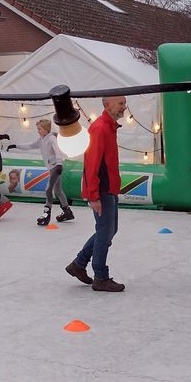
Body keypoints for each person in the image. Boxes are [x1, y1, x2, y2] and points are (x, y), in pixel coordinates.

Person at [65, 96, 127, 292]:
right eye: (121, 103)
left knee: (109, 230)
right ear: (107, 105)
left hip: (108, 188)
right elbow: (91, 164)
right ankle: (100, 276)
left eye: (125, 103)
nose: (124, 107)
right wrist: (93, 196)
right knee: (104, 232)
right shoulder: (100, 128)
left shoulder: (109, 127)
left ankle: (79, 263)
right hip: (102, 190)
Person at [13, 118, 73, 226]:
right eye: (37, 129)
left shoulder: (51, 139)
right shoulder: (41, 139)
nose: (38, 131)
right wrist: (16, 146)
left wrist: (59, 164)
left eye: (39, 129)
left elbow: (58, 151)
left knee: (48, 189)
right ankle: (67, 211)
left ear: (46, 129)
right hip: (52, 168)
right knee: (58, 190)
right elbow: (30, 145)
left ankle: (47, 213)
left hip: (56, 167)